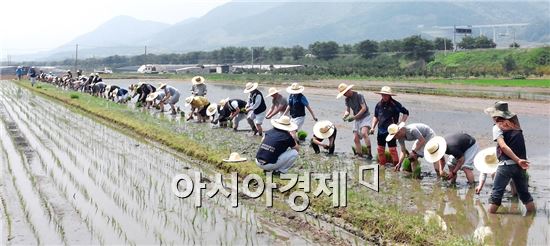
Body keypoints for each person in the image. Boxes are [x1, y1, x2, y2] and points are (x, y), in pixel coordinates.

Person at [484, 101, 534, 214]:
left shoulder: (497, 127)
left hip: (507, 165)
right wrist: (520, 161)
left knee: (496, 195)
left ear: (496, 116)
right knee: (525, 195)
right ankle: (531, 218)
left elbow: (503, 146)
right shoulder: (516, 126)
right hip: (520, 166)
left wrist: (517, 160)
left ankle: (490, 222)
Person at [370, 86, 409, 165]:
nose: (384, 96)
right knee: (380, 150)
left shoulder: (395, 104)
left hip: (391, 131)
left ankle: (396, 167)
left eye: (386, 95)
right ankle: (382, 167)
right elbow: (376, 116)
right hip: (380, 130)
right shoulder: (378, 105)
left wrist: (400, 124)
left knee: (392, 150)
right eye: (383, 95)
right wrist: (372, 127)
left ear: (390, 95)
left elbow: (406, 112)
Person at [337, 83, 372, 159]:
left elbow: (364, 108)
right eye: (343, 94)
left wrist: (354, 117)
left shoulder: (359, 95)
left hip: (365, 117)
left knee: (364, 133)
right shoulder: (347, 99)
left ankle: (370, 154)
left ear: (349, 90)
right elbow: (348, 111)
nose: (344, 95)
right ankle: (360, 155)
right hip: (356, 119)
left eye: (344, 93)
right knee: (355, 138)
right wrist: (345, 116)